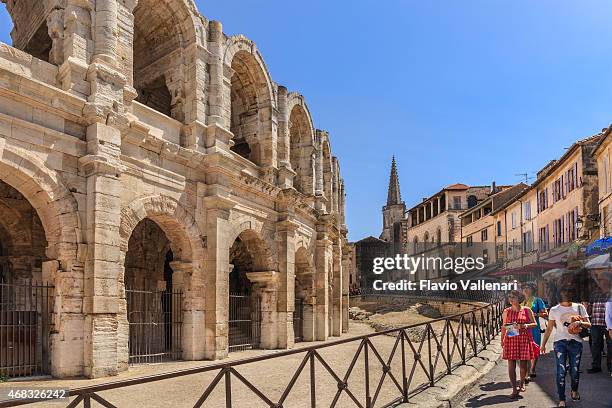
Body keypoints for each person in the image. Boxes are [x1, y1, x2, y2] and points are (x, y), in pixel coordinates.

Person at [542, 286, 592, 407]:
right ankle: (561, 399)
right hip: (560, 342)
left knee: (574, 371)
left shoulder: (579, 307)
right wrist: (543, 344)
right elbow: (549, 328)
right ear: (560, 294)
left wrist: (579, 322)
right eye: (564, 291)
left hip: (576, 342)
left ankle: (574, 391)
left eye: (570, 291)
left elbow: (589, 324)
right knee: (561, 371)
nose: (567, 293)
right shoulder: (554, 309)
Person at [502, 290, 538, 399]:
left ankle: (522, 384)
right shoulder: (506, 311)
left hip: (523, 339)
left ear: (519, 298)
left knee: (523, 366)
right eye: (509, 297)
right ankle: (514, 389)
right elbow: (504, 326)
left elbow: (534, 324)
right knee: (511, 365)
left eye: (513, 297)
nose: (511, 299)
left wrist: (524, 326)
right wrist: (502, 340)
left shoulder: (526, 310)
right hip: (511, 339)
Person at [587, 270, 612, 375]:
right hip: (596, 322)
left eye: (601, 279)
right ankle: (596, 366)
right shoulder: (595, 292)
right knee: (595, 345)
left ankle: (610, 367)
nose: (599, 281)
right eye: (599, 279)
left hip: (609, 324)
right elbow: (591, 306)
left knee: (610, 345)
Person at [522, 281, 547, 380]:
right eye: (524, 288)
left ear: (532, 289)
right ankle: (527, 372)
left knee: (535, 348)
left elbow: (545, 313)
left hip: (534, 327)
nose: (525, 289)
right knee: (525, 350)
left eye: (528, 287)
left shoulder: (537, 300)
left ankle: (532, 369)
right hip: (524, 328)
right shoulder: (522, 301)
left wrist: (534, 314)